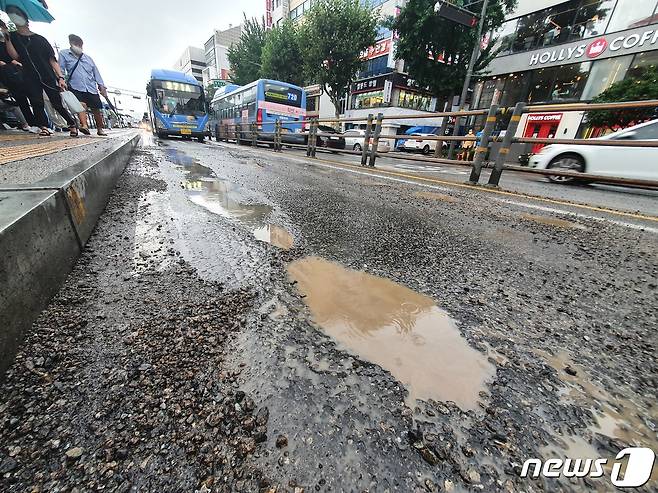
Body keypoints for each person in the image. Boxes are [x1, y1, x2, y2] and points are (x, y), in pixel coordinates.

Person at [5, 5, 78, 137]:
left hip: (47, 75)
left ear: (26, 20)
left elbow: (52, 60)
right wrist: (7, 40)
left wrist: (60, 77)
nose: (14, 17)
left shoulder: (40, 39)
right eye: (11, 15)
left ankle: (71, 123)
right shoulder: (13, 37)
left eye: (17, 14)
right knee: (36, 101)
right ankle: (43, 127)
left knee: (56, 103)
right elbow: (15, 56)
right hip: (29, 75)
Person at [59, 34, 108, 136]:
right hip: (75, 85)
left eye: (80, 45)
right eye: (76, 44)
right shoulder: (64, 54)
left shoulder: (88, 58)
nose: (79, 47)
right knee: (81, 105)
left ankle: (100, 129)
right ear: (71, 44)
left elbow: (96, 72)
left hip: (91, 87)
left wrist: (101, 85)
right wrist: (61, 80)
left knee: (96, 109)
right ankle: (84, 125)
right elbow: (61, 69)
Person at [0, 20, 38, 133]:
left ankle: (41, 123)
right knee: (20, 99)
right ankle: (32, 124)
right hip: (7, 74)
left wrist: (7, 37)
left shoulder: (12, 38)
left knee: (33, 96)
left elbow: (17, 54)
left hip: (20, 71)